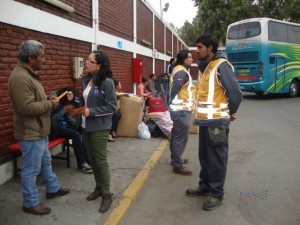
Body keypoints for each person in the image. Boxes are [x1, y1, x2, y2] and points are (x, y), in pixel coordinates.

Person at [8, 40, 70, 216]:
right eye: (42, 56)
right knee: (31, 169)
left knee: (45, 162)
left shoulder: (29, 74)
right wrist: (50, 104)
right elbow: (26, 108)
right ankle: (30, 202)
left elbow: (34, 99)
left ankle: (52, 188)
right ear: (31, 58)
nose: (45, 60)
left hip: (39, 130)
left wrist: (48, 98)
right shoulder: (21, 77)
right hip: (31, 132)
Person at [186, 33, 242, 211]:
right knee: (204, 157)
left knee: (217, 159)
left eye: (200, 48)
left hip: (217, 122)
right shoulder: (207, 67)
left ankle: (217, 193)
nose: (197, 52)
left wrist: (229, 112)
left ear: (210, 48)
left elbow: (235, 94)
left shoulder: (221, 65)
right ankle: (206, 186)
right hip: (204, 122)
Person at [81, 50, 117, 213]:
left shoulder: (107, 83)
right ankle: (98, 187)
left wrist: (92, 112)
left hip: (100, 127)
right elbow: (86, 101)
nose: (86, 63)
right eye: (86, 60)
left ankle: (107, 194)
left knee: (100, 160)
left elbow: (112, 107)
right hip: (85, 126)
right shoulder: (86, 79)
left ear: (99, 66)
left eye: (89, 61)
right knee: (92, 159)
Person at [50, 87, 92, 173]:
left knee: (82, 130)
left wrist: (77, 124)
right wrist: (63, 110)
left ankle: (87, 159)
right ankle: (82, 163)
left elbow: (67, 117)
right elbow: (52, 119)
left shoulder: (64, 101)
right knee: (75, 135)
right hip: (54, 129)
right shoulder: (53, 101)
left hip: (63, 126)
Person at [168, 50, 195, 176]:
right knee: (181, 137)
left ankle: (175, 158)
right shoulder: (181, 72)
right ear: (184, 59)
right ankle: (178, 165)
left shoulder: (179, 70)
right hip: (181, 109)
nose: (192, 59)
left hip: (179, 108)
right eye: (190, 57)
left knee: (175, 134)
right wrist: (170, 103)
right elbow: (174, 90)